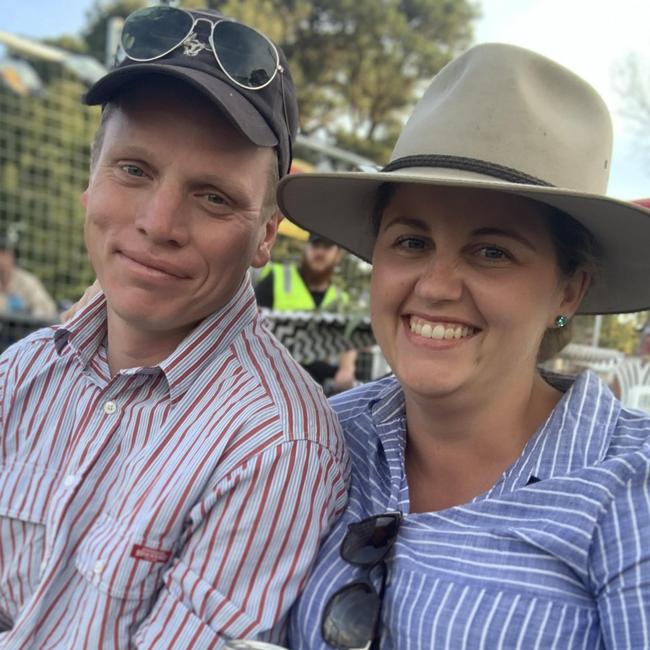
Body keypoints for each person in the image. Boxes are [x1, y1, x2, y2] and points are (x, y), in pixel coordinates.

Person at [278, 43, 650, 648]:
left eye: (493, 251)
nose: (436, 286)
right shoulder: (318, 441)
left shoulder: (628, 491)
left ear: (569, 289)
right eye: (411, 242)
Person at [0, 6, 348, 648]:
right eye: (133, 170)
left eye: (213, 196)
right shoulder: (19, 377)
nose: (159, 222)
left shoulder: (275, 449)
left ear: (266, 236)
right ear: (90, 181)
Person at [255, 233, 358, 392]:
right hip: (273, 373)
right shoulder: (277, 278)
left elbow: (349, 338)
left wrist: (347, 369)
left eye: (327, 247)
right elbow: (251, 323)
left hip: (319, 381)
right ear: (305, 248)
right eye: (315, 245)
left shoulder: (341, 299)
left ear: (338, 255)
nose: (320, 252)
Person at [0, 235, 58, 321]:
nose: (2, 259)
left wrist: (28, 314)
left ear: (12, 256)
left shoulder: (27, 280)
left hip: (24, 330)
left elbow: (48, 309)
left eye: (4, 254)